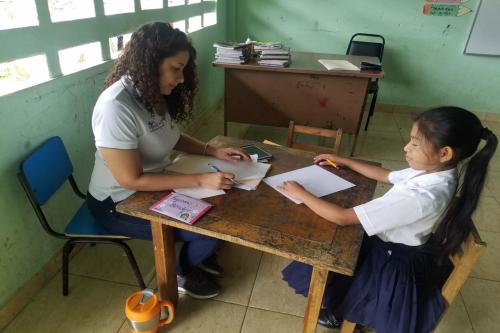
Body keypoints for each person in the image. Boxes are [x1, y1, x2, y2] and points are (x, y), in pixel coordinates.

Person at [278, 107, 497, 333]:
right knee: (341, 250)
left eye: (414, 143)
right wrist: (345, 161)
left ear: (445, 153)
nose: (406, 147)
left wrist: (301, 193)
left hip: (392, 260)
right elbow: (387, 175)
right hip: (395, 245)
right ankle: (346, 310)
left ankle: (351, 315)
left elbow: (342, 218)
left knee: (335, 251)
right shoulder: (434, 171)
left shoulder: (422, 197)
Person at [85, 22, 250, 300]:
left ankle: (196, 253)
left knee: (225, 207)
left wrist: (212, 150)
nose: (181, 78)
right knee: (211, 230)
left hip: (151, 184)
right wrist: (200, 179)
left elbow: (170, 136)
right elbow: (130, 179)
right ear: (150, 63)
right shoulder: (116, 107)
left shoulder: (150, 92)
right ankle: (182, 271)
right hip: (118, 203)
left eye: (183, 69)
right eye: (176, 68)